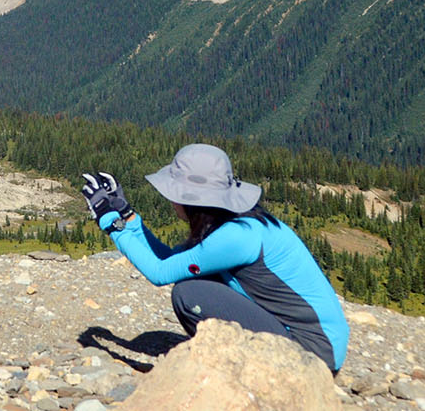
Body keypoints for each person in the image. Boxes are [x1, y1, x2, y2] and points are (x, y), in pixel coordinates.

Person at [82, 143, 348, 373]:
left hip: (312, 352)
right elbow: (172, 261)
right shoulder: (236, 223)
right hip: (318, 342)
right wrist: (128, 217)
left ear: (192, 200)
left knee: (188, 294)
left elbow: (160, 273)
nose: (170, 200)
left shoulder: (233, 238)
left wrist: (108, 220)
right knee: (193, 281)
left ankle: (239, 370)